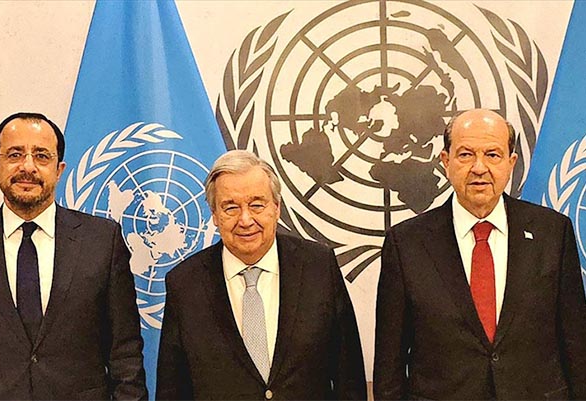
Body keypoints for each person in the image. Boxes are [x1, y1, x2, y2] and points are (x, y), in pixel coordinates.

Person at [373, 108, 586, 399]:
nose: (479, 167)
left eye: (493, 155)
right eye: (465, 155)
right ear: (445, 161)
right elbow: (389, 365)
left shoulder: (552, 233)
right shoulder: (406, 243)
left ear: (511, 163)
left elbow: (576, 344)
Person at [0, 112, 147, 400]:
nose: (28, 166)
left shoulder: (102, 241)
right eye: (15, 155)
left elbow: (126, 355)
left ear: (59, 170)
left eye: (41, 156)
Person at [155, 150, 366, 400]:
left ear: (276, 208)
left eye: (256, 205)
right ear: (214, 215)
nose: (245, 220)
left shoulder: (318, 267)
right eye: (231, 207)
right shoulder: (185, 283)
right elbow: (173, 389)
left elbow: (349, 378)